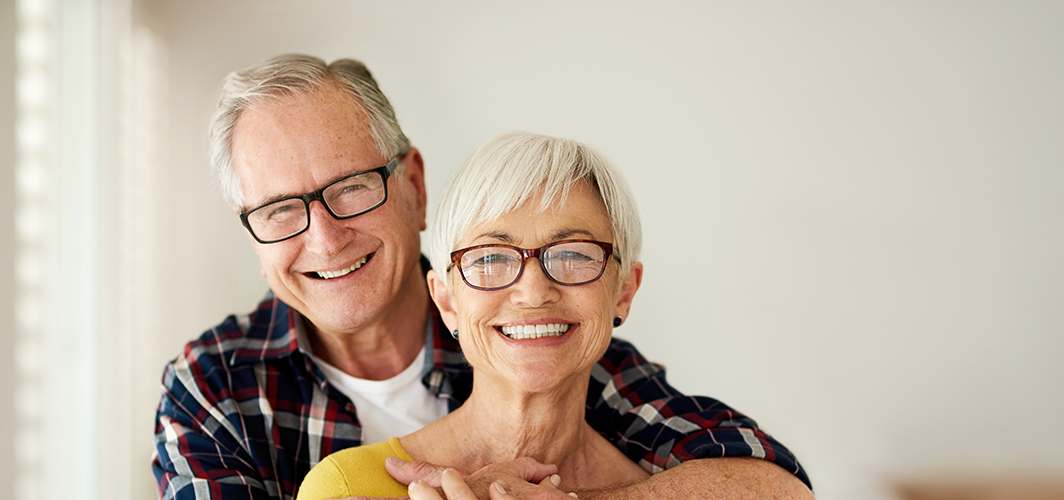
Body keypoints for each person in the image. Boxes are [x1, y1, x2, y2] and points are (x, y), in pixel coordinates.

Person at [152, 54, 812, 500]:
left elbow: (774, 483)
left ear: (413, 185)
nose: (324, 237)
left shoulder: (536, 339)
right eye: (279, 210)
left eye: (351, 189)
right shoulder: (216, 385)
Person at [296, 132, 813, 500]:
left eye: (573, 254)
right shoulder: (347, 489)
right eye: (492, 258)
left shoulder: (658, 490)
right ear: (447, 300)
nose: (533, 290)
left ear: (623, 293)